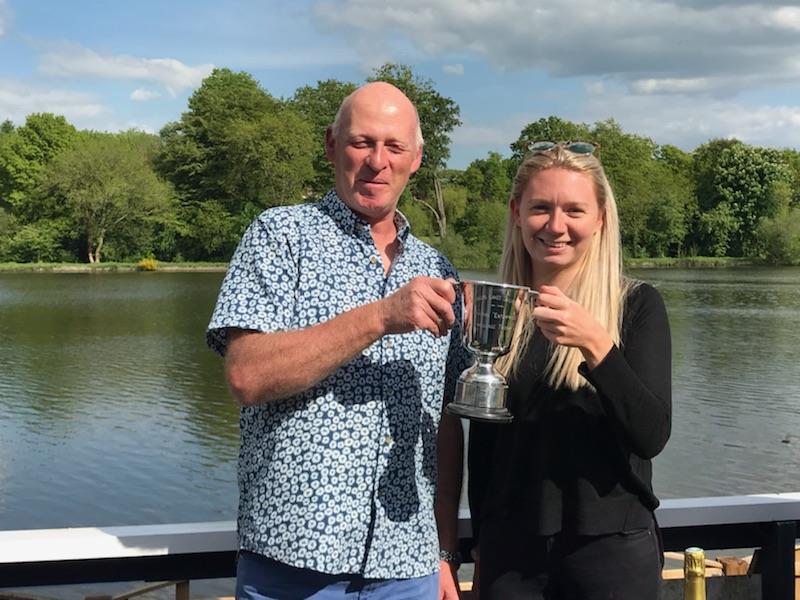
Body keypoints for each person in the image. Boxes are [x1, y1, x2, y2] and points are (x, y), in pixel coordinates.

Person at [206, 81, 471, 600]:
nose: (378, 161)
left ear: (416, 159)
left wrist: (443, 551)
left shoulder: (436, 267)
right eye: (361, 143)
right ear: (331, 145)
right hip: (293, 565)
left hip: (408, 568)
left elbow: (442, 419)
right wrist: (378, 317)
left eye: (394, 147)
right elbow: (246, 374)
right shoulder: (279, 236)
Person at [454, 141, 672, 599]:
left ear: (600, 218)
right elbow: (485, 446)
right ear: (516, 212)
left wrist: (595, 344)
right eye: (540, 208)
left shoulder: (636, 306)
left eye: (574, 210)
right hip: (510, 553)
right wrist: (481, 537)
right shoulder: (502, 310)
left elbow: (651, 435)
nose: (556, 226)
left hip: (611, 547)